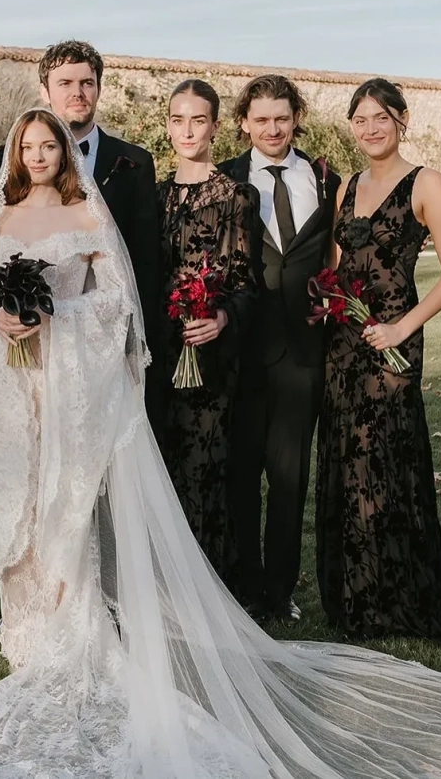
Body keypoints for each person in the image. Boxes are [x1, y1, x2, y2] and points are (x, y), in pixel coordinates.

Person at [0, 107, 441, 779]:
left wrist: (56, 312)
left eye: (49, 144)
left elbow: (120, 303)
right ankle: (25, 628)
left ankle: (72, 631)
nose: (39, 154)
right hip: (20, 388)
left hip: (75, 383)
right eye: (28, 146)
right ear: (17, 154)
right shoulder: (0, 216)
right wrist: (3, 319)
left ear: (64, 152)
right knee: (25, 496)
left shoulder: (87, 212)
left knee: (69, 500)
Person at [316, 77, 441, 646]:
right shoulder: (347, 186)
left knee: (386, 460)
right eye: (360, 119)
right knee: (348, 460)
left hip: (394, 343)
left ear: (402, 120)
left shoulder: (427, 183)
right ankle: (357, 595)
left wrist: (402, 326)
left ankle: (398, 595)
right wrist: (329, 308)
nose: (370, 128)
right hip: (345, 342)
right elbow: (336, 266)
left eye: (381, 117)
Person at [217, 75, 341, 622]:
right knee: (242, 474)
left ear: (296, 119)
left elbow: (333, 253)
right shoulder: (224, 179)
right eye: (262, 119)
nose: (272, 129)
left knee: (291, 480)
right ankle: (246, 583)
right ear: (244, 122)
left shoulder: (325, 178)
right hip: (241, 351)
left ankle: (280, 587)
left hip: (303, 351)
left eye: (282, 118)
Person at [0, 40, 163, 420]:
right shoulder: (9, 156)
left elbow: (145, 258)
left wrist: (134, 343)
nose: (77, 92)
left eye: (87, 82)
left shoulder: (135, 162)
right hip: (27, 351)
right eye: (65, 83)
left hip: (106, 342)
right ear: (45, 91)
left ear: (98, 88)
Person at [156, 79, 258, 585]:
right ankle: (163, 587)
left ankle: (205, 589)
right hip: (158, 357)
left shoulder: (236, 196)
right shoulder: (154, 195)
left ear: (216, 127)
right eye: (178, 120)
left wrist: (221, 318)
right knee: (161, 472)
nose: (188, 130)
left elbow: (246, 283)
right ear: (168, 125)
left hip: (210, 360)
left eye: (198, 120)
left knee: (204, 469)